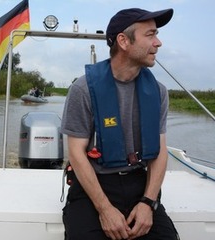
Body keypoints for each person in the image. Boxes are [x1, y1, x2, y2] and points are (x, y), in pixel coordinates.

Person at [61, 8, 179, 240]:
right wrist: (104, 209)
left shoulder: (158, 92)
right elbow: (76, 152)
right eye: (150, 35)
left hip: (139, 183)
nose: (158, 42)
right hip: (94, 185)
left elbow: (159, 151)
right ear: (124, 41)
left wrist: (147, 202)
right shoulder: (83, 89)